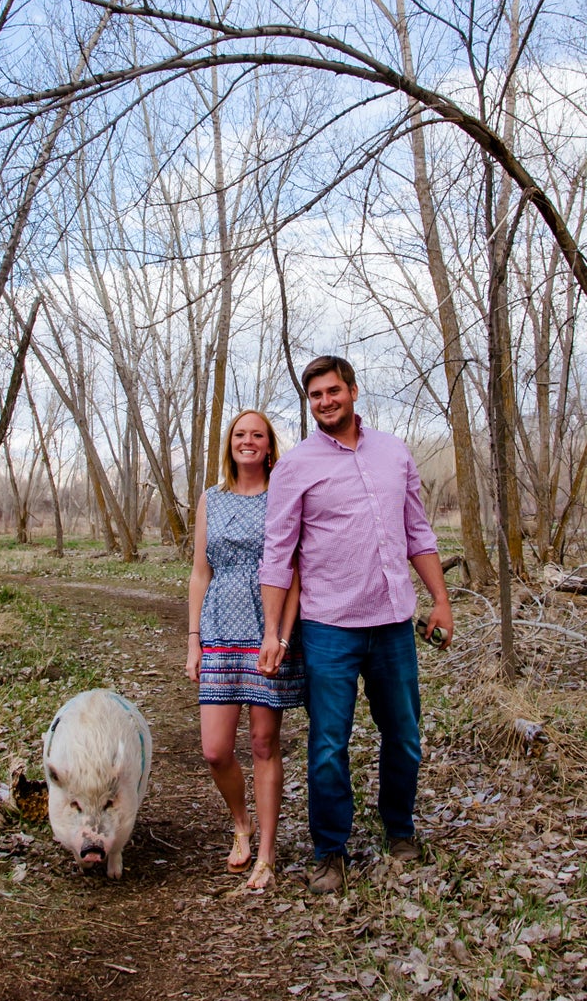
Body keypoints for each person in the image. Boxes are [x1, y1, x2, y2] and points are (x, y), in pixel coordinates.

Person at [258, 356, 453, 895]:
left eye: (332, 391)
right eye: (315, 395)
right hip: (329, 628)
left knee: (405, 738)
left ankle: (400, 831)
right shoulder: (295, 466)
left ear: (353, 390)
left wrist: (440, 600)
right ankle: (330, 851)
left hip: (393, 623)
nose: (325, 402)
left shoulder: (394, 453)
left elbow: (418, 531)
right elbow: (278, 555)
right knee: (327, 745)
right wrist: (274, 631)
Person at [186, 409, 304, 891]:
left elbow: (295, 570)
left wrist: (281, 636)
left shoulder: (283, 495)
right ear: (229, 443)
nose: (248, 441)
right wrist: (193, 639)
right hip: (217, 629)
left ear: (269, 445)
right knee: (215, 750)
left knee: (262, 743)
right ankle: (242, 823)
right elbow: (200, 572)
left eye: (257, 434)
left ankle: (268, 856)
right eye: (240, 434)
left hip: (266, 630)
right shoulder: (210, 500)